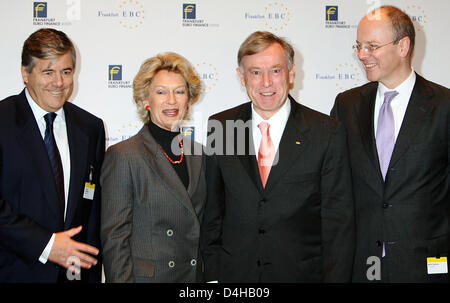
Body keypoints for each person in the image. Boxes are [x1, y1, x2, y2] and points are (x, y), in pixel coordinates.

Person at [200, 31, 355, 282]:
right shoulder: (222, 127)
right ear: (241, 76)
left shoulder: (326, 132)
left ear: (291, 73)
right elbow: (212, 217)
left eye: (275, 70)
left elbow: (339, 226)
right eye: (255, 72)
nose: (266, 83)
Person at [331, 6, 450, 282]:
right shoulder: (346, 105)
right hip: (361, 265)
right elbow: (335, 188)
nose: (362, 55)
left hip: (426, 264)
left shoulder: (444, 107)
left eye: (372, 46)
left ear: (403, 46)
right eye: (359, 46)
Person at [0, 28, 105, 282]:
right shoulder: (2, 121)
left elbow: (92, 213)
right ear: (26, 73)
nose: (59, 82)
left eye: (66, 72)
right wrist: (46, 244)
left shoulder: (90, 127)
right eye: (48, 72)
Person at [101, 52, 206, 283]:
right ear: (145, 100)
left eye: (179, 91)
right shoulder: (124, 156)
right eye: (161, 92)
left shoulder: (199, 154)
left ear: (188, 101)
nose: (171, 100)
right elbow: (115, 239)